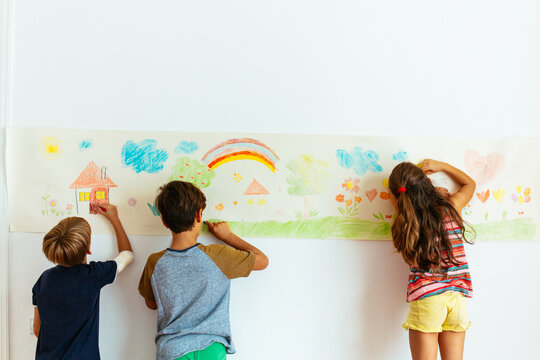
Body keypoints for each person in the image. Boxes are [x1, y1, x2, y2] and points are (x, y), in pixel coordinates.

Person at [138, 180, 269, 360]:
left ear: (164, 221)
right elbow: (262, 261)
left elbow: (152, 304)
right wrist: (228, 236)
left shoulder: (155, 262)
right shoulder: (218, 256)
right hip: (211, 349)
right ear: (199, 215)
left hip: (172, 349)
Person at [388, 159, 475, 360]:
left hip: (428, 298)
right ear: (427, 182)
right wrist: (442, 166)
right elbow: (470, 184)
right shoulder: (452, 207)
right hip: (457, 299)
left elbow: (400, 195)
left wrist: (415, 181)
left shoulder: (407, 219)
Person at [32, 204, 134, 360]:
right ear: (88, 249)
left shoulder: (44, 279)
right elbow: (127, 255)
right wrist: (115, 219)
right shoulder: (94, 275)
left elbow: (37, 329)